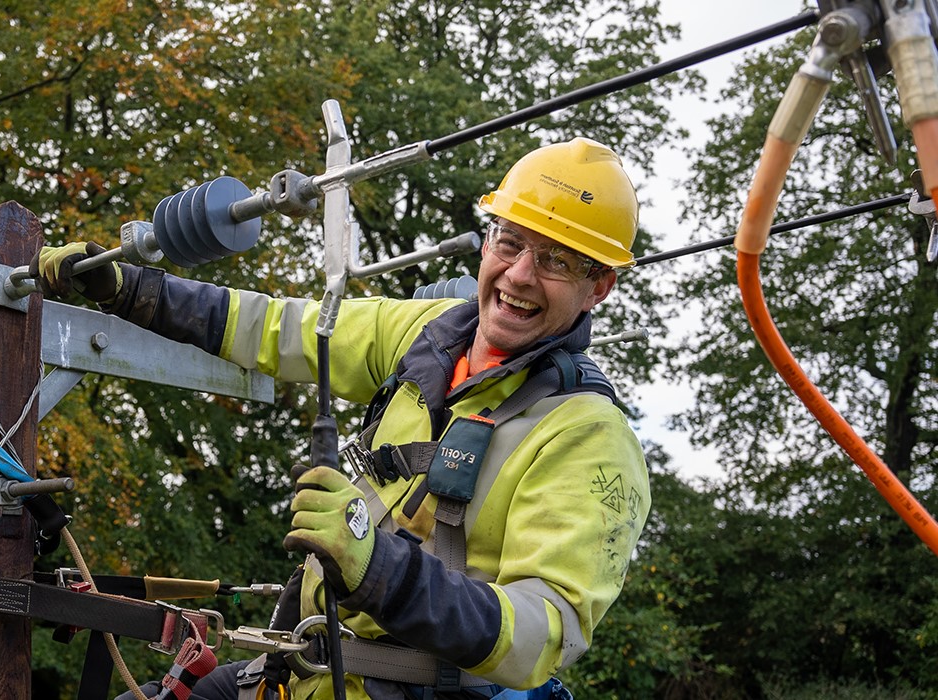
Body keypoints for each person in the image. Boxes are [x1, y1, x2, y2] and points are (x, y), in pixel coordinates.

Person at [32, 138, 651, 700]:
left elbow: (543, 634)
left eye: (557, 261)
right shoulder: (429, 334)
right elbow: (278, 330)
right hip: (300, 675)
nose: (518, 275)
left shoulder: (588, 437)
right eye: (510, 241)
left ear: (600, 287)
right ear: (489, 241)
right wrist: (132, 289)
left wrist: (376, 567)